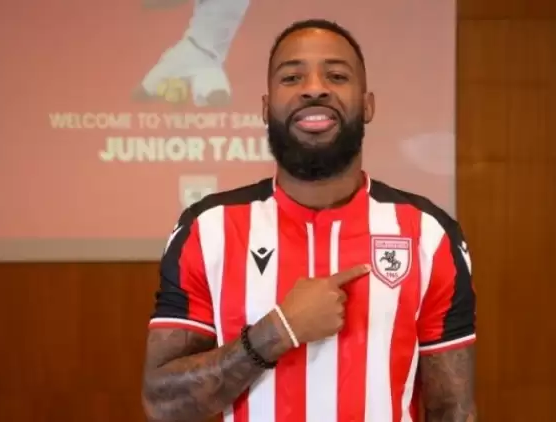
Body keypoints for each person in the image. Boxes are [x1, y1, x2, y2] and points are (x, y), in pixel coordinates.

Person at [141, 18, 477, 422]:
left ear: (368, 105)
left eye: (336, 75)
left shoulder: (428, 235)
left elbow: (452, 410)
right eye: (292, 77)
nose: (314, 88)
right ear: (266, 108)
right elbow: (163, 404)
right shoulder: (207, 230)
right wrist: (278, 331)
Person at [134, 0, 250, 106]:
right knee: (141, 93)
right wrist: (151, 3)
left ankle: (177, 95)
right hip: (188, 51)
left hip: (211, 61)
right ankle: (171, 96)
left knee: (220, 99)